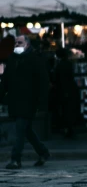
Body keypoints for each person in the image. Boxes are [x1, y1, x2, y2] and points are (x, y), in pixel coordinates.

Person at [0, 35, 50, 169]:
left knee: (20, 130)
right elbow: (5, 80)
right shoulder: (12, 59)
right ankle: (43, 152)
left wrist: (41, 102)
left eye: (19, 42)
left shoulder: (35, 60)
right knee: (26, 130)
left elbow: (43, 82)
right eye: (16, 42)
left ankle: (16, 159)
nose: (16, 44)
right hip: (15, 101)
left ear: (27, 44)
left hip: (29, 101)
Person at [54, 47, 80, 138]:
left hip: (63, 91)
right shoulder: (69, 64)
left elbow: (58, 79)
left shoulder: (60, 65)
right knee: (70, 110)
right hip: (70, 90)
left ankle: (68, 129)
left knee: (65, 111)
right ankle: (71, 129)